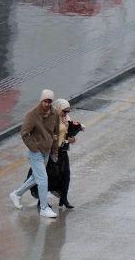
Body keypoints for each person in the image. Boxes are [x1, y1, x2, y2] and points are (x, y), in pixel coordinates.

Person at [10, 89, 61, 218]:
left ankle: (16, 194)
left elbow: (56, 133)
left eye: (49, 101)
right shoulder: (32, 114)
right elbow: (24, 133)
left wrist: (54, 151)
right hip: (35, 152)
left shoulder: (54, 114)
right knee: (43, 179)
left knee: (35, 177)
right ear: (41, 100)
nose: (47, 104)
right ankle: (44, 208)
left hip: (47, 151)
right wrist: (34, 147)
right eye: (45, 101)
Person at [28, 98, 82, 209]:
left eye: (68, 111)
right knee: (47, 176)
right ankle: (42, 201)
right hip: (50, 151)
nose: (66, 114)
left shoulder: (66, 119)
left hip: (62, 151)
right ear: (58, 108)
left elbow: (67, 134)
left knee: (65, 175)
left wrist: (71, 139)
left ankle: (64, 199)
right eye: (64, 111)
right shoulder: (51, 120)